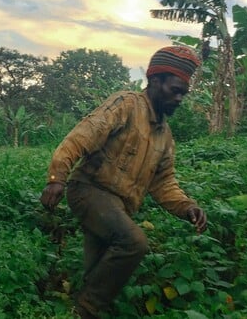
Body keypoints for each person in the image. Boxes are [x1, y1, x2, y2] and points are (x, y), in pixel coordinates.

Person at [40, 45, 208, 319]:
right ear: (155, 81)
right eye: (174, 90)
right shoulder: (126, 105)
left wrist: (187, 206)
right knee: (134, 243)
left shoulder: (164, 135)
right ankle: (82, 311)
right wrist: (57, 178)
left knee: (97, 269)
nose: (179, 98)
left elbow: (164, 182)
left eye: (183, 94)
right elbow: (81, 137)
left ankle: (71, 305)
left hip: (119, 206)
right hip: (89, 190)